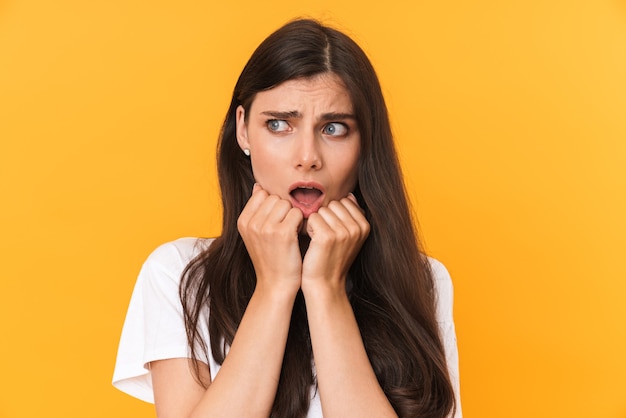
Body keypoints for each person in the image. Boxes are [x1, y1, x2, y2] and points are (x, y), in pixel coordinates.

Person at [113, 18, 462, 418]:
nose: (307, 156)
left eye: (334, 128)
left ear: (365, 142)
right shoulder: (179, 274)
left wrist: (326, 291)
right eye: (279, 125)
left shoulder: (422, 280)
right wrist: (275, 286)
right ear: (243, 130)